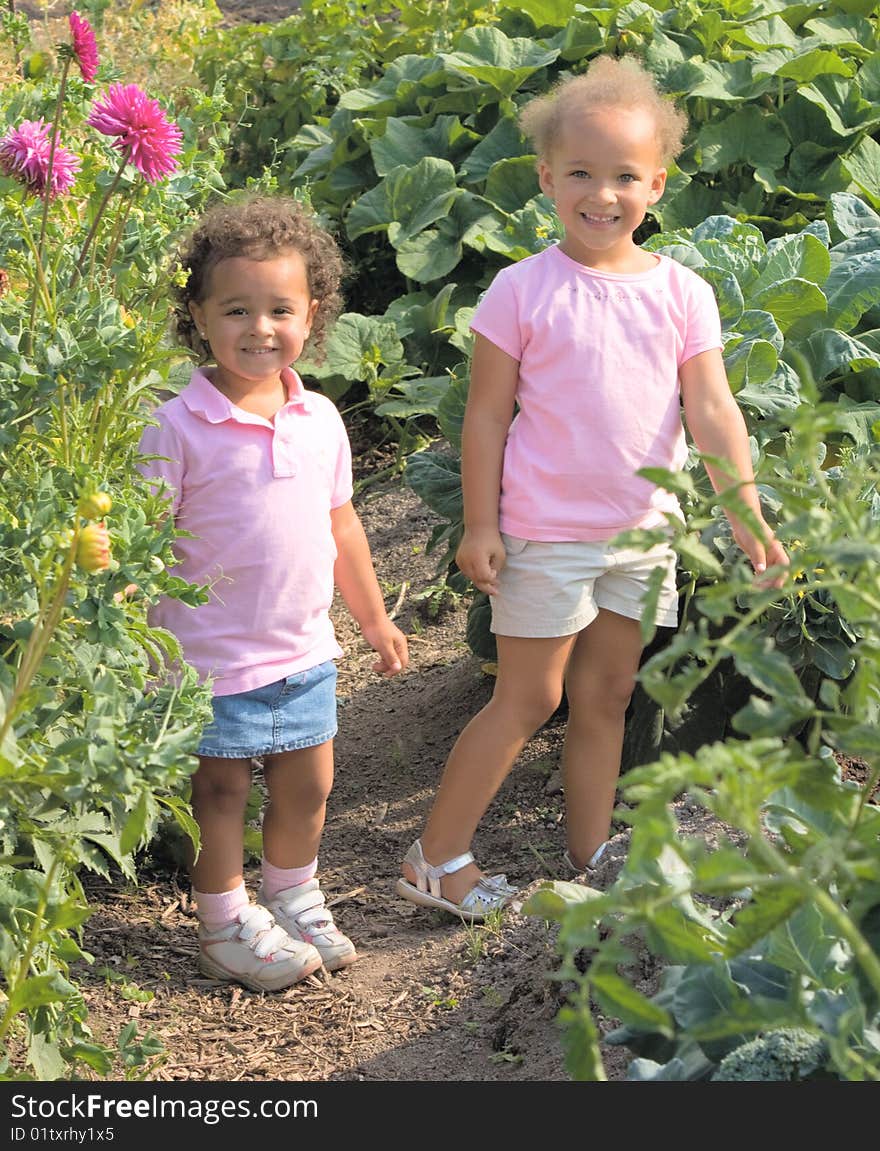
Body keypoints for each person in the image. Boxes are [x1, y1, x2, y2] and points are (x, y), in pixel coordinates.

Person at [396, 55, 788, 921]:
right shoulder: (520, 291)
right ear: (546, 177)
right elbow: (486, 420)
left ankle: (592, 858)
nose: (600, 194)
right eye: (580, 172)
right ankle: (436, 854)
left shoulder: (683, 292)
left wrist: (745, 508)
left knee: (608, 695)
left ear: (657, 183)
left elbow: (714, 411)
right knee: (529, 696)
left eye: (623, 176)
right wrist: (478, 523)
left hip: (646, 535)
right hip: (544, 532)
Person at [140, 194, 409, 991]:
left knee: (309, 782)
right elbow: (143, 544)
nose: (261, 327)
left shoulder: (320, 417)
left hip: (302, 647)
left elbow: (343, 529)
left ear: (313, 313)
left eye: (280, 309)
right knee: (219, 791)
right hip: (206, 655)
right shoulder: (177, 426)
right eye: (236, 309)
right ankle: (223, 922)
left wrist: (374, 617)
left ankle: (293, 896)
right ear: (196, 315)